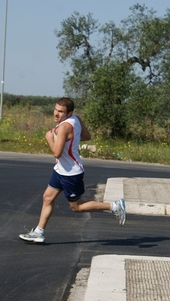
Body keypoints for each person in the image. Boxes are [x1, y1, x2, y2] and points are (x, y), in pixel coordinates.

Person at [19, 97, 125, 243]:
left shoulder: (63, 127)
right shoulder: (76, 119)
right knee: (47, 197)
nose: (56, 114)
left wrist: (50, 138)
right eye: (55, 109)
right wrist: (70, 138)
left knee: (77, 207)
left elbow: (57, 153)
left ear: (69, 113)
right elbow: (87, 136)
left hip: (70, 173)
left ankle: (114, 206)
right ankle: (39, 232)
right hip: (60, 170)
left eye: (61, 111)